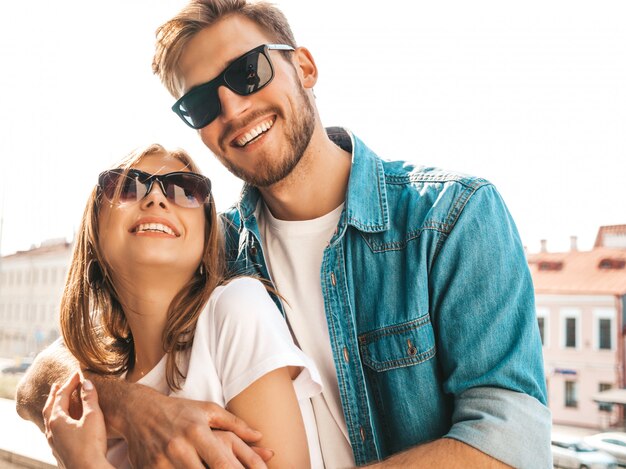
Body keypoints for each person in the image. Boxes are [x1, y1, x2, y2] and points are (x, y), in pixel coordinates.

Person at [17, 0, 552, 467]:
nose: (232, 107)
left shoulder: (452, 216)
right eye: (201, 102)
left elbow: (512, 445)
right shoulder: (214, 251)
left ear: (306, 67)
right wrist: (135, 409)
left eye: (248, 72)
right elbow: (42, 377)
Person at [38, 143, 323, 468]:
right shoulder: (92, 410)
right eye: (127, 186)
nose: (156, 198)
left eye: (186, 190)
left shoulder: (236, 309)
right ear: (94, 239)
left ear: (206, 243)